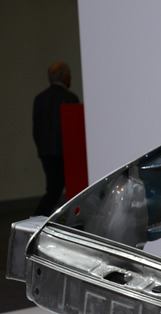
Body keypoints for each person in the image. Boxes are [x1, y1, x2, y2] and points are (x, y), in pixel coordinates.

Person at [32, 62, 80, 216]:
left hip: (46, 152)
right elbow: (75, 130)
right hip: (65, 153)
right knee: (65, 190)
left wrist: (41, 149)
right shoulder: (70, 98)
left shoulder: (40, 98)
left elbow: (36, 128)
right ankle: (38, 218)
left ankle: (41, 218)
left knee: (53, 189)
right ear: (64, 77)